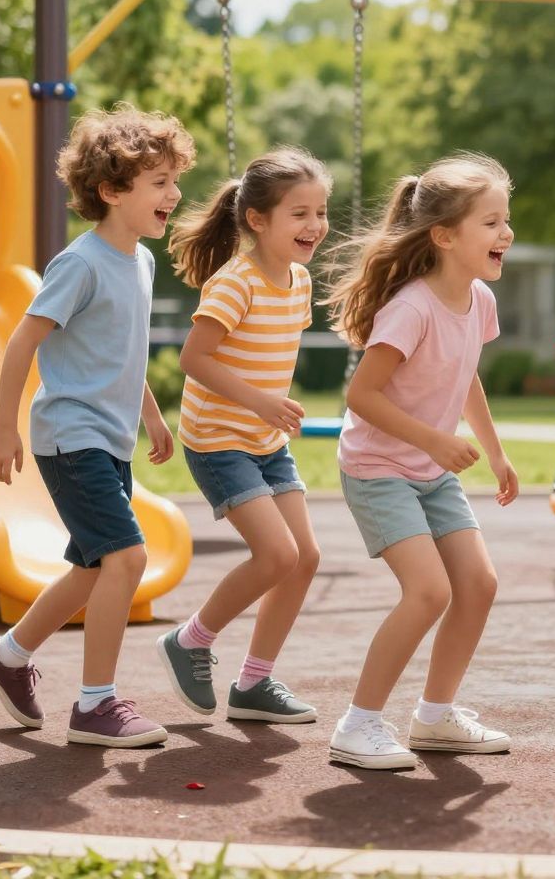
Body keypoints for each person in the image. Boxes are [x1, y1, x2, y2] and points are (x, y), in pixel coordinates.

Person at [0, 103, 195, 748]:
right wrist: (3, 428)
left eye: (175, 180)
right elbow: (22, 343)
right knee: (127, 557)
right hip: (71, 436)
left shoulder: (141, 263)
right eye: (159, 183)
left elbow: (119, 353)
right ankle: (96, 705)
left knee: (94, 567)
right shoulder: (82, 263)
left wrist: (150, 415)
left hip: (110, 436)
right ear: (111, 191)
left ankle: (6, 658)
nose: (174, 195)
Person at [322, 153, 520, 770]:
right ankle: (358, 724)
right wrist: (434, 441)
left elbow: (466, 379)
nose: (505, 234)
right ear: (443, 236)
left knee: (479, 584)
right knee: (429, 590)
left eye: (504, 220)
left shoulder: (477, 300)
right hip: (378, 469)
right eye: (490, 223)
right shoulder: (411, 307)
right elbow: (361, 395)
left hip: (428, 474)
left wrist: (494, 450)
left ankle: (434, 717)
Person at [157, 147, 332, 723]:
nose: (315, 226)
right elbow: (194, 358)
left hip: (263, 442)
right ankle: (190, 640)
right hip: (217, 440)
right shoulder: (237, 283)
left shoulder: (299, 282)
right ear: (258, 220)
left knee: (304, 557)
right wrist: (262, 401)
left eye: (321, 212)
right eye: (299, 214)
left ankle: (254, 683)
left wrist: (268, 410)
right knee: (276, 553)